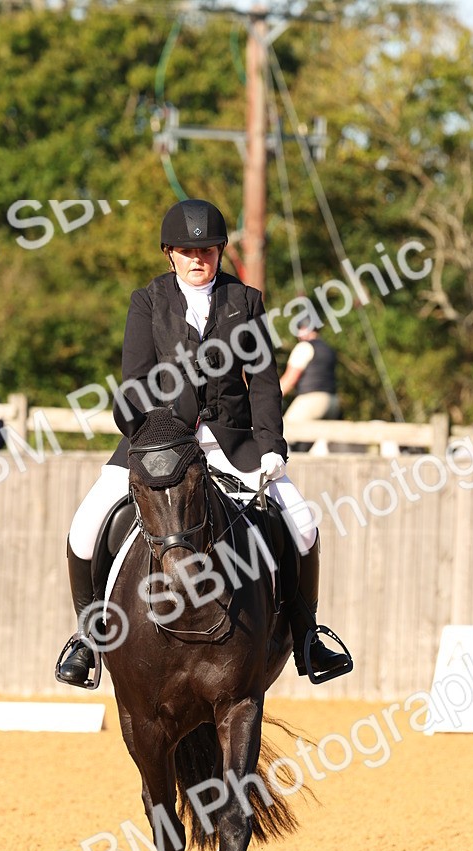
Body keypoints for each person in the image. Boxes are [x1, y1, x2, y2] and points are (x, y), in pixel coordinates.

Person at [57, 198, 352, 687]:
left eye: (209, 250)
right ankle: (88, 642)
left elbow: (261, 381)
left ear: (220, 253)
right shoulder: (148, 301)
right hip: (160, 442)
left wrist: (272, 446)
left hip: (231, 444)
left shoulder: (247, 301)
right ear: (170, 253)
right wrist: (149, 437)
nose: (199, 260)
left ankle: (307, 637)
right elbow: (135, 381)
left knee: (302, 523)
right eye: (187, 251)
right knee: (86, 525)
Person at [280, 319, 340, 455]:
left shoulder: (304, 347)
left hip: (312, 400)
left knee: (283, 430)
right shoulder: (328, 349)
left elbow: (289, 380)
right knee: (313, 440)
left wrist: (269, 398)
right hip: (333, 402)